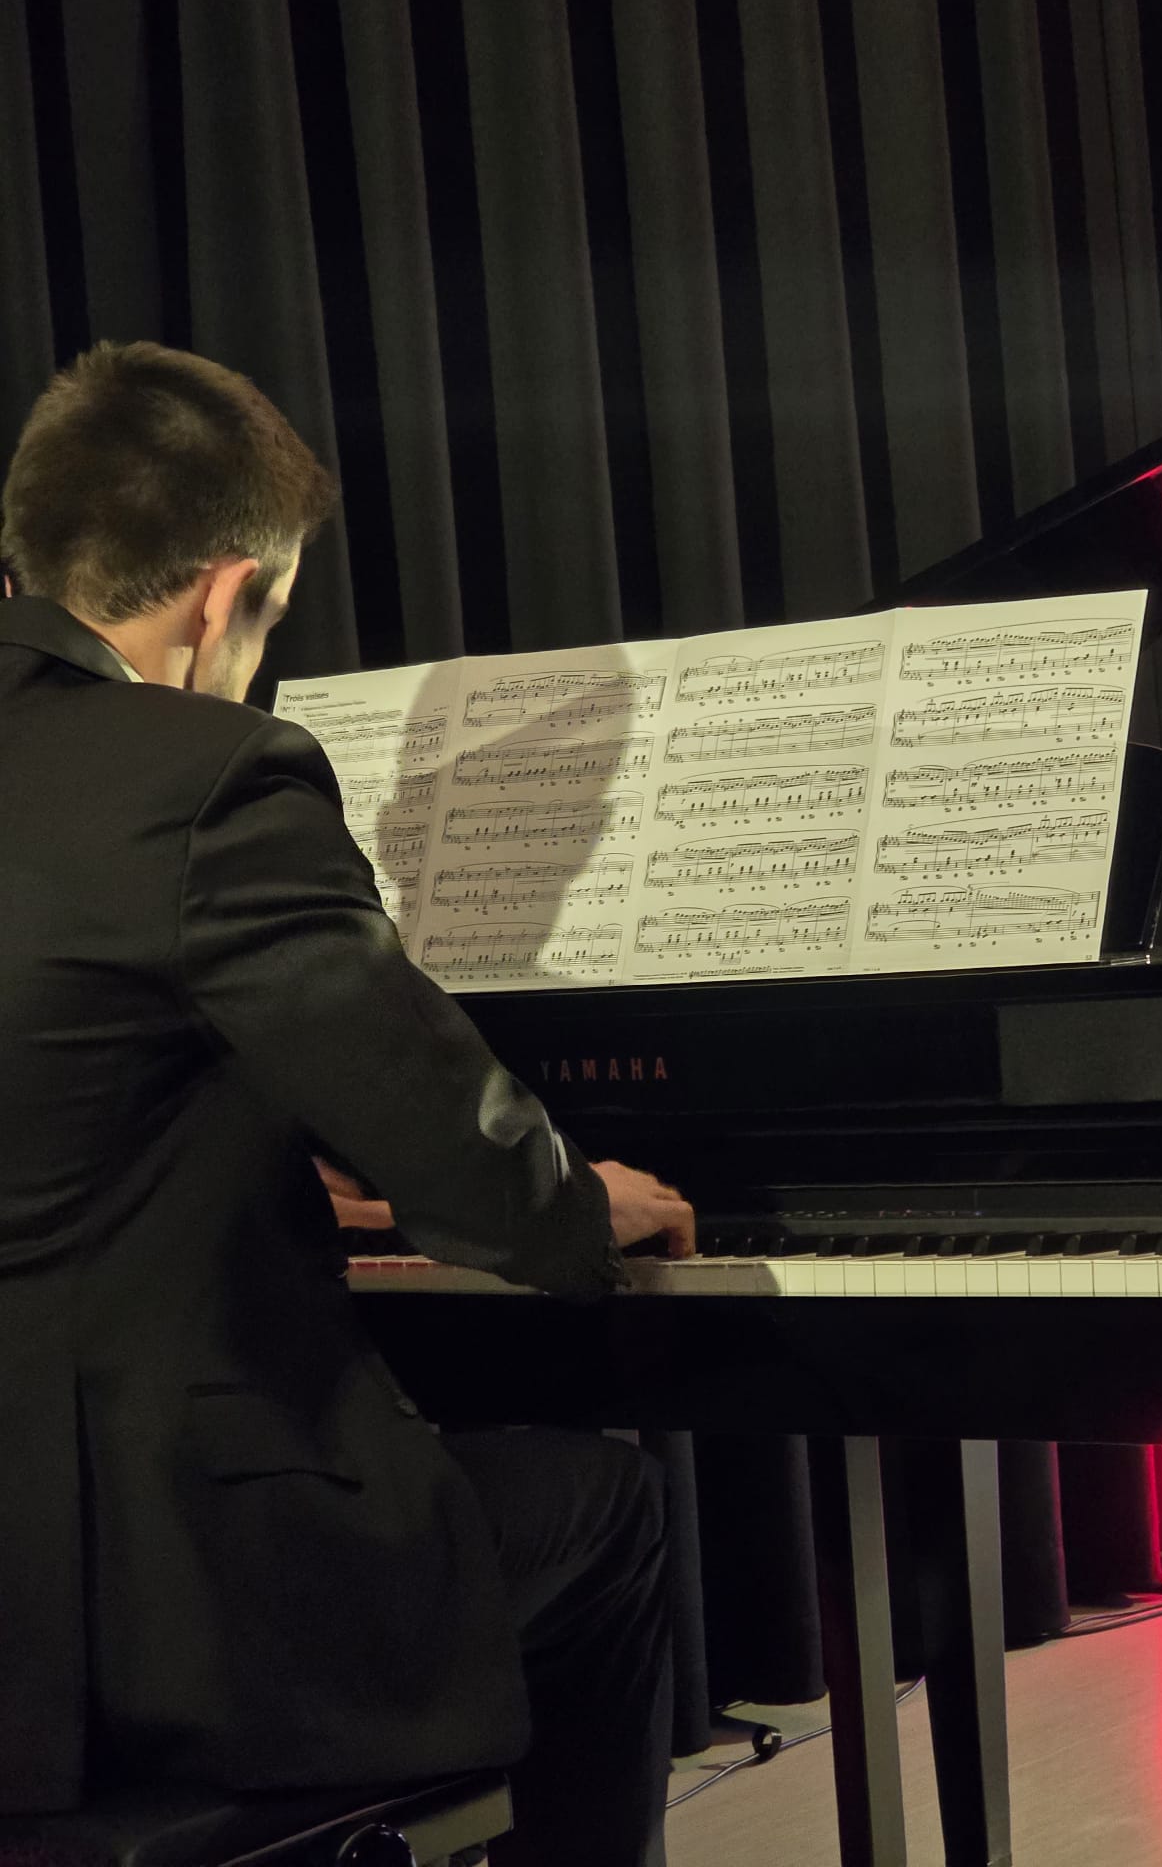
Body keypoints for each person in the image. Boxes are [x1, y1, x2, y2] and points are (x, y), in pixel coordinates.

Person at [0, 340, 694, 1866]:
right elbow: (460, 1155)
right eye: (269, 624)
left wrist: (244, 1164)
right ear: (223, 594)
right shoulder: (209, 776)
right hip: (141, 1608)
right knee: (607, 1510)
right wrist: (578, 1206)